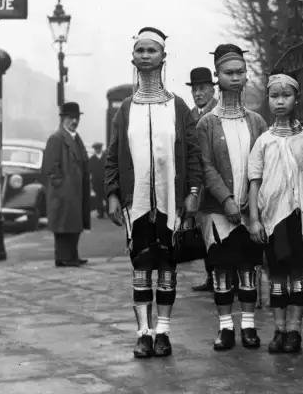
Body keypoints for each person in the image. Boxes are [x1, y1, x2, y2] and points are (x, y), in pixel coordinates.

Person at [105, 27, 201, 359]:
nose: (145, 55)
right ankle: (143, 334)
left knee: (168, 266)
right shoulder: (125, 109)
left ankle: (163, 333)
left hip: (171, 202)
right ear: (133, 57)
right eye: (140, 50)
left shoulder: (178, 107)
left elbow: (193, 154)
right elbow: (113, 155)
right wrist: (112, 193)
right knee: (141, 266)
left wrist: (192, 192)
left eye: (152, 50)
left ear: (163, 57)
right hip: (138, 203)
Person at [197, 43, 267, 351]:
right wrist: (226, 200)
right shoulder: (207, 123)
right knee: (222, 269)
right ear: (218, 76)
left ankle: (248, 326)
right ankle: (226, 328)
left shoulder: (257, 121)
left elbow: (261, 165)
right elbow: (206, 166)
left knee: (248, 266)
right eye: (229, 73)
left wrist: (250, 202)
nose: (235, 78)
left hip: (249, 210)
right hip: (218, 211)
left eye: (240, 72)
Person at [247, 74, 303, 354]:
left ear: (296, 99)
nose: (280, 101)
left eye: (286, 96)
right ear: (268, 100)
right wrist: (255, 219)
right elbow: (254, 182)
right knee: (277, 274)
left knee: (298, 273)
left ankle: (295, 331)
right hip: (272, 219)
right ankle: (279, 330)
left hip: (299, 217)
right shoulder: (263, 142)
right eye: (274, 96)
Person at [42, 101, 91, 268]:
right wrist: (61, 186)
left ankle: (72, 256)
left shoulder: (76, 138)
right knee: (64, 226)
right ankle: (64, 258)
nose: (74, 121)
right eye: (71, 118)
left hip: (75, 192)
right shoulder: (56, 138)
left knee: (74, 225)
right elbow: (50, 167)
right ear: (63, 118)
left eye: (77, 117)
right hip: (63, 193)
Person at [186, 66, 217, 292]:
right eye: (195, 89)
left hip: (216, 181)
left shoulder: (219, 111)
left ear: (212, 90)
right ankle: (211, 277)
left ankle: (226, 278)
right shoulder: (189, 115)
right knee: (203, 232)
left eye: (202, 88)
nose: (198, 93)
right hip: (198, 184)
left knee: (220, 232)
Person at [89, 142, 106, 218]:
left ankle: (110, 212)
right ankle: (100, 213)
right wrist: (90, 182)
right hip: (96, 182)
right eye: (96, 149)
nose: (97, 150)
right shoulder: (91, 159)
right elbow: (89, 171)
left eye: (99, 148)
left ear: (101, 148)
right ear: (94, 149)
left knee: (107, 197)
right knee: (98, 198)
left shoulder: (106, 157)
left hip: (106, 181)